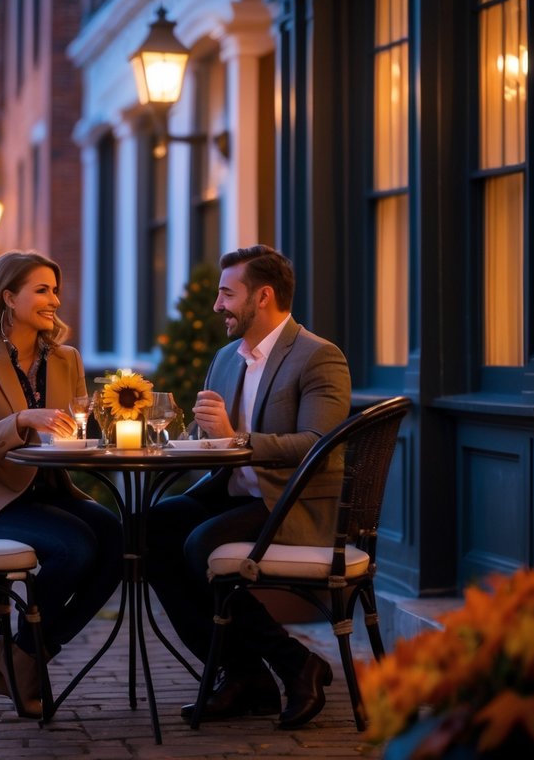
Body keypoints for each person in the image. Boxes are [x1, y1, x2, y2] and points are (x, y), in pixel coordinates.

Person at [146, 244, 352, 729]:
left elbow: (314, 444)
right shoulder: (226, 358)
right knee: (149, 531)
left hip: (291, 501)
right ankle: (242, 675)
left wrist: (233, 437)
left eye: (226, 293)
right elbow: (213, 443)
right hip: (234, 491)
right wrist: (191, 440)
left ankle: (295, 663)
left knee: (200, 547)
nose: (217, 305)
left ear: (262, 296)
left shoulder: (319, 357)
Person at [0, 250, 123, 717]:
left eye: (55, 290)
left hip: (51, 493)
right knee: (75, 547)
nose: (54, 300)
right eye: (41, 290)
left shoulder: (67, 359)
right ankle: (24, 657)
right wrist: (21, 419)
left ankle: (22, 651)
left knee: (119, 540)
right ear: (8, 297)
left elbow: (80, 430)